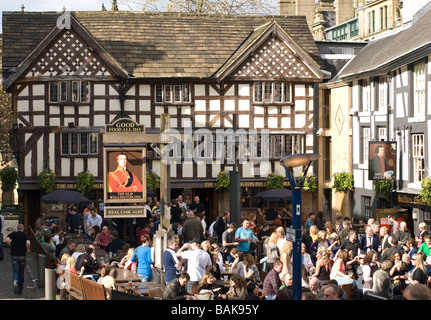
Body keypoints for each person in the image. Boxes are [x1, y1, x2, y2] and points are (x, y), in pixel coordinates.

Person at [6, 224, 30, 295]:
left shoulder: (13, 234)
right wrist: (27, 249)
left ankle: (15, 282)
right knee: (21, 271)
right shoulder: (25, 235)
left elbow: (7, 239)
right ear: (23, 228)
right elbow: (28, 242)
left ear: (17, 228)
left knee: (15, 271)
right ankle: (20, 288)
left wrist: (10, 245)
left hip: (14, 255)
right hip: (22, 256)